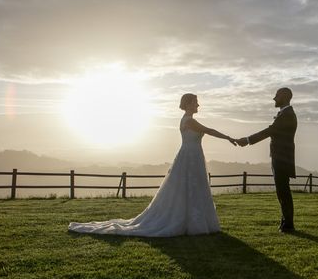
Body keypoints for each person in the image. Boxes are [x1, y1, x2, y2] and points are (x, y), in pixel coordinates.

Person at [68, 93, 236, 237]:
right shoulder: (189, 121)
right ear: (189, 104)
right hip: (190, 157)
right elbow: (210, 130)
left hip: (192, 156)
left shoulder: (188, 120)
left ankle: (194, 222)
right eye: (195, 102)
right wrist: (230, 138)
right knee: (188, 187)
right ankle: (190, 222)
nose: (198, 104)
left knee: (192, 187)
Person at [236, 87, 297, 232]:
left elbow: (270, 131)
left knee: (283, 191)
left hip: (282, 158)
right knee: (282, 191)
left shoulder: (287, 114)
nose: (274, 99)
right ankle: (285, 223)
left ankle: (288, 225)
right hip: (280, 157)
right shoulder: (284, 114)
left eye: (276, 96)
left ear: (284, 96)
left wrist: (247, 140)